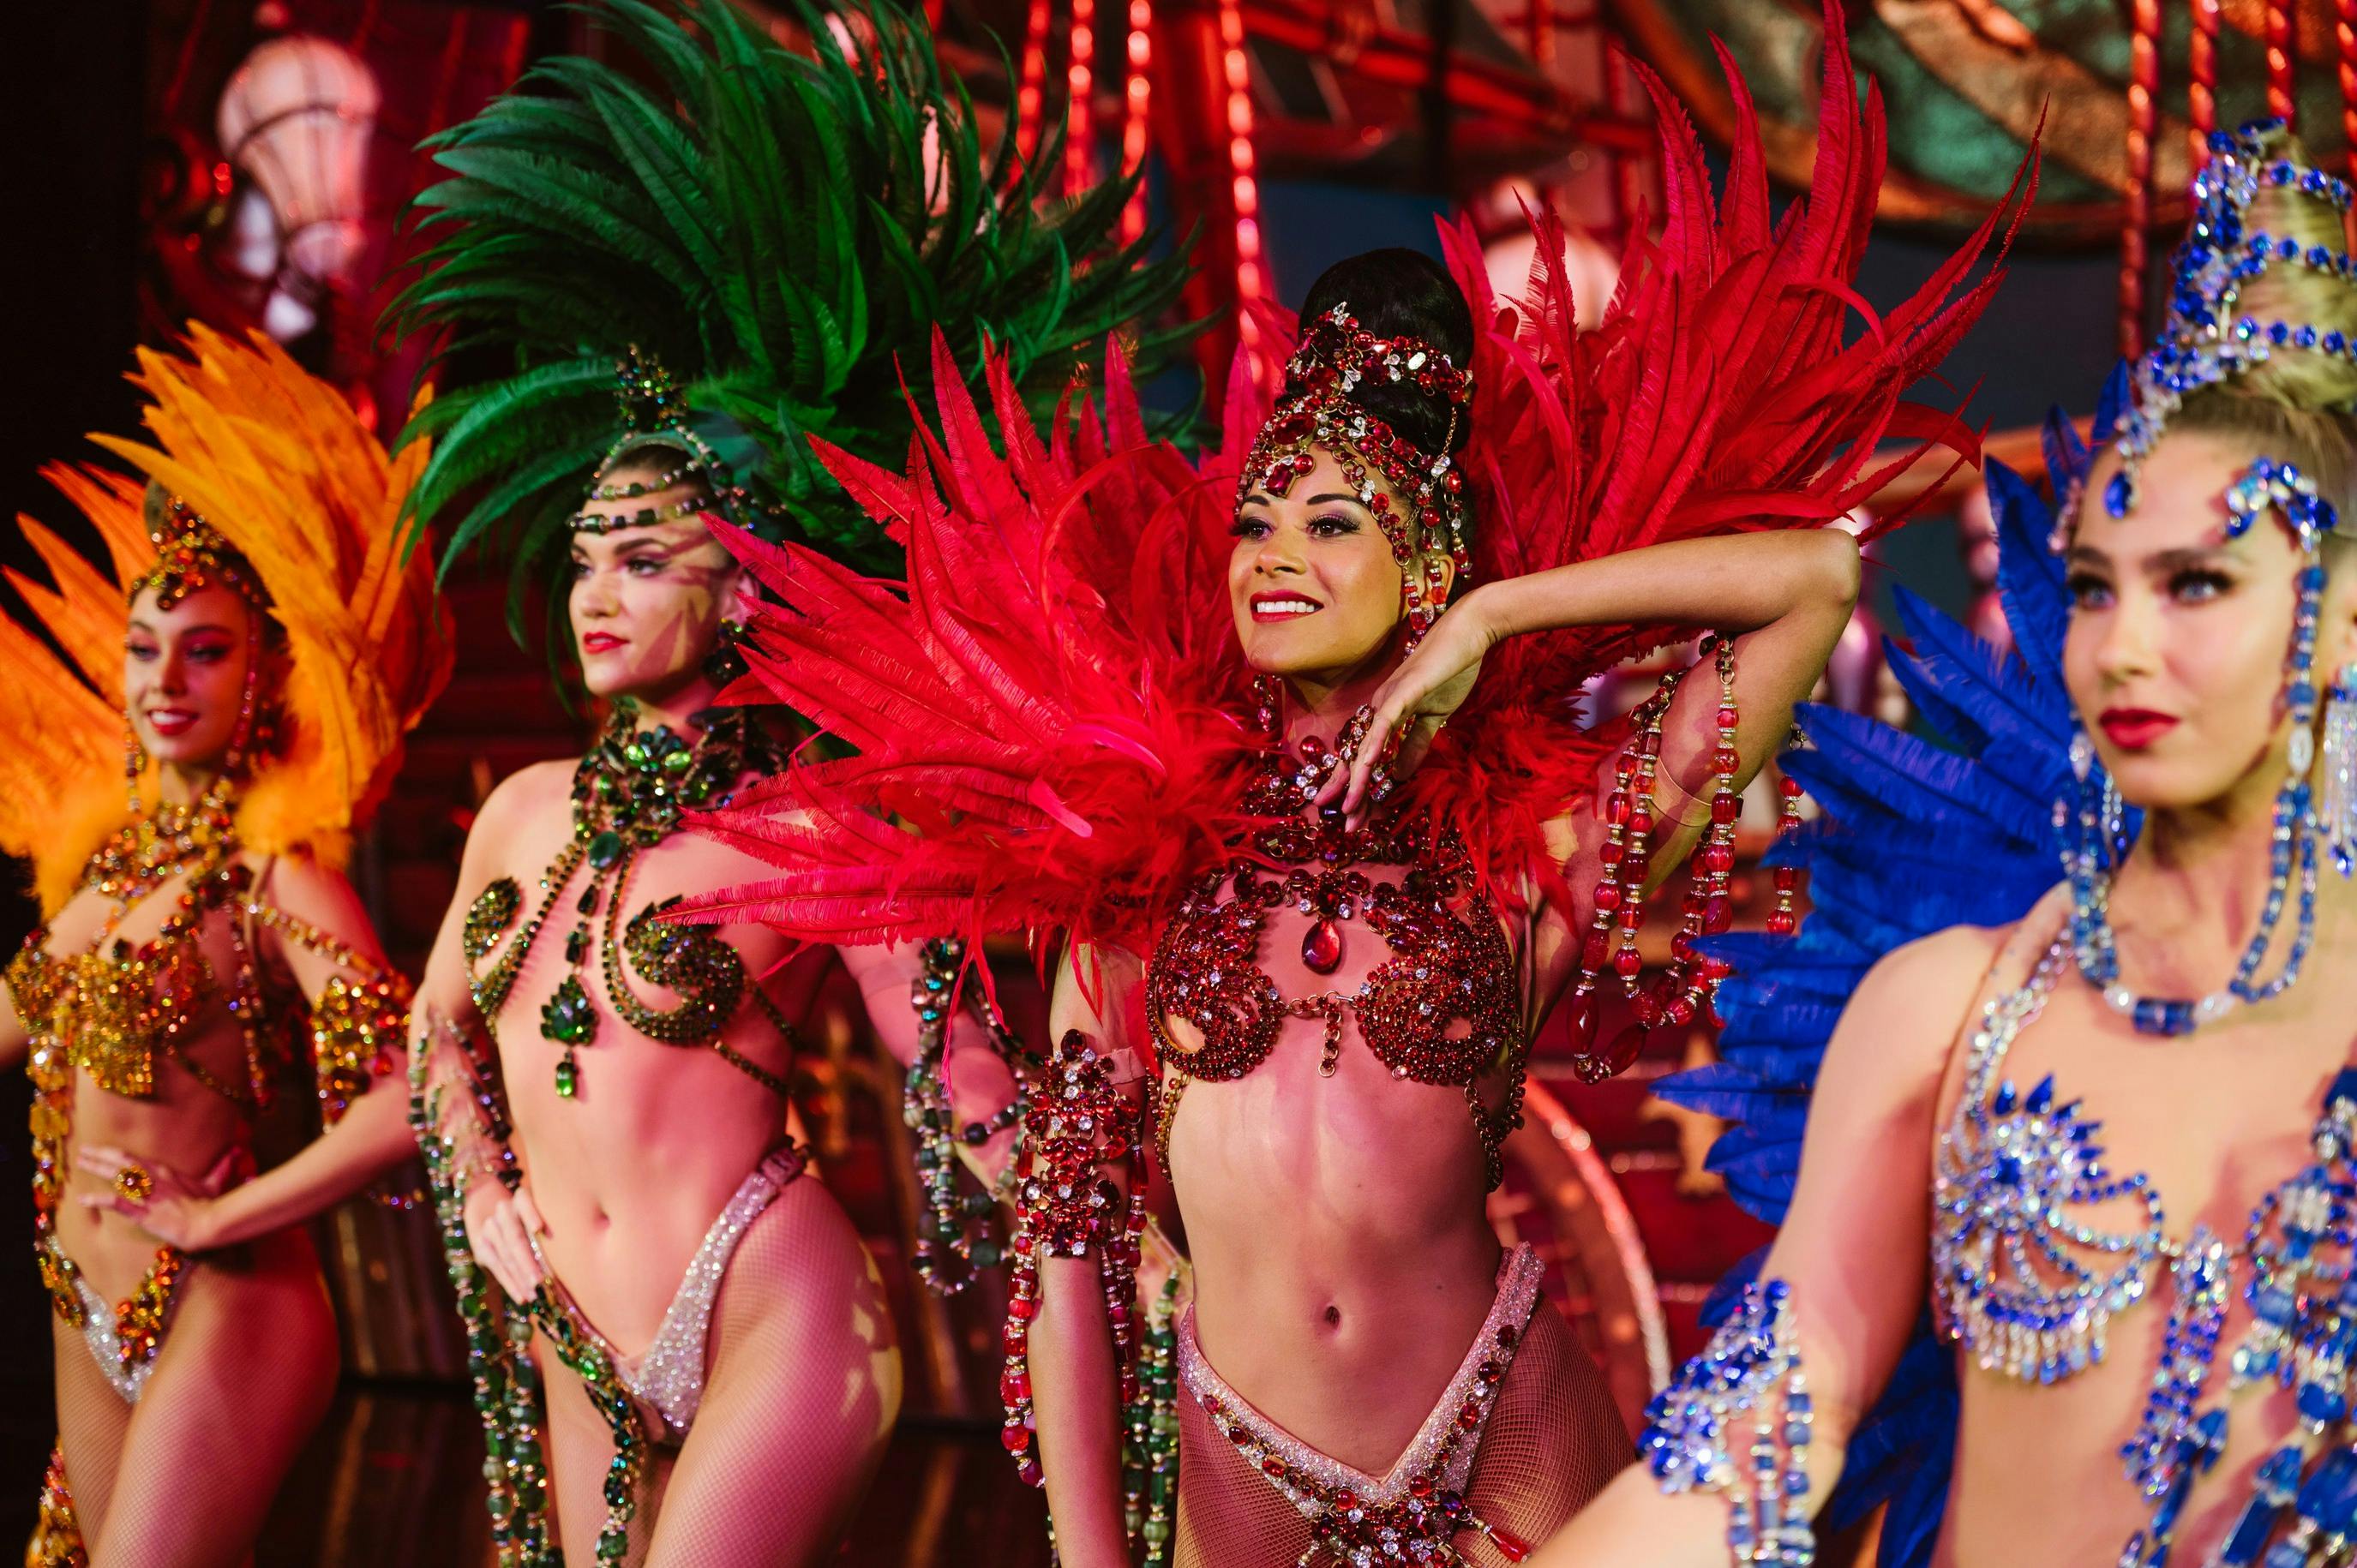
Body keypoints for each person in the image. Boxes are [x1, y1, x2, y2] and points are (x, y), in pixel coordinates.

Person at [674, 10, 2024, 1562]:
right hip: (1232, 1461)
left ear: (1428, 565)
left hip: (1502, 1430)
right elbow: (1069, 1254)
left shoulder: (1529, 856)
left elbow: (1803, 580)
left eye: (1334, 523)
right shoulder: (1136, 862)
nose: (1276, 555)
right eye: (1257, 519)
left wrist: (1504, 616)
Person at [387, 3, 1193, 1563]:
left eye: (643, 558)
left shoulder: (823, 825)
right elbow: (434, 1031)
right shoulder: (518, 806)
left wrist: (1143, 1243)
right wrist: (482, 1179)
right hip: (563, 1317)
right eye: (580, 560)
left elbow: (962, 1091)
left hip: (771, 1299)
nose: (594, 595)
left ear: (742, 588)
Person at [1536, 120, 2357, 1568]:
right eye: (2095, 587)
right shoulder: (1952, 1008)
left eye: (2198, 583)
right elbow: (1763, 1429)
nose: (2120, 647)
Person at [0, 325, 450, 1567]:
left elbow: (404, 1104)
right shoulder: (98, 872)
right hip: (79, 1294)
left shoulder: (278, 873)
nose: (166, 680)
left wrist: (224, 1216)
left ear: (265, 674)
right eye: (145, 649)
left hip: (229, 1301)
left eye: (206, 650)